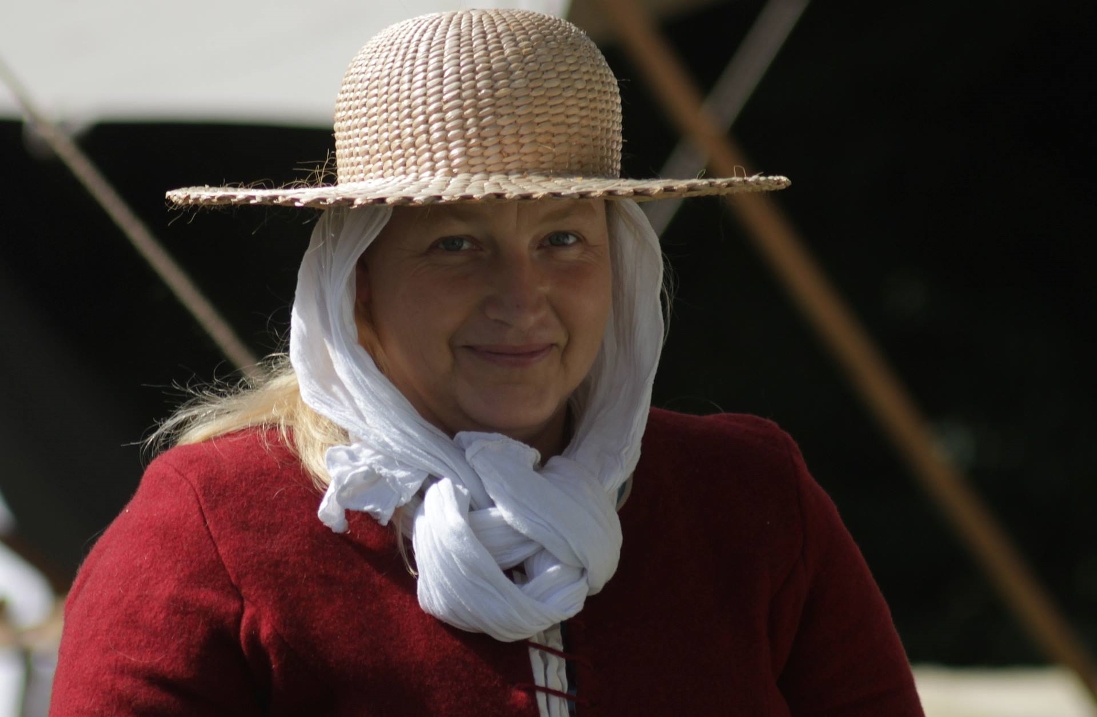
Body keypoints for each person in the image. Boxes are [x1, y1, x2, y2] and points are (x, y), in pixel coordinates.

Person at [50, 9, 923, 716]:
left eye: (562, 239)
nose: (520, 296)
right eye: (455, 244)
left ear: (619, 268)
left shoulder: (746, 498)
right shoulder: (215, 524)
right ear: (359, 285)